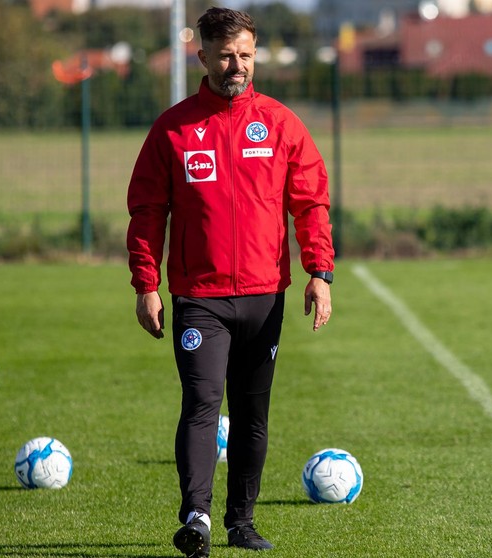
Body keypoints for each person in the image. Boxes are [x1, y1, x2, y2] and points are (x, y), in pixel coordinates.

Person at [126, 7, 334, 556]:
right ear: (202, 56)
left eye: (245, 54)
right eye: (225, 54)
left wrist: (319, 272)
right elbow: (147, 211)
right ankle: (196, 518)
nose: (237, 64)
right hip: (200, 298)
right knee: (200, 401)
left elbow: (310, 202)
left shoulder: (281, 123)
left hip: (265, 297)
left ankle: (241, 522)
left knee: (251, 412)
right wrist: (146, 283)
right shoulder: (174, 129)